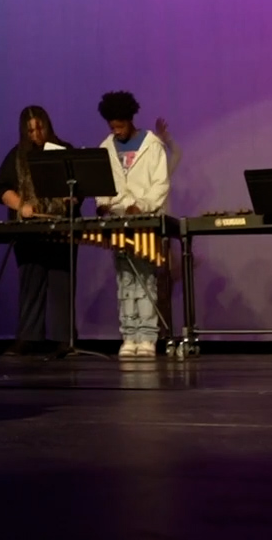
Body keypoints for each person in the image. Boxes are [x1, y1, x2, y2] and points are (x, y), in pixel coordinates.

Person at [97, 92, 177, 358]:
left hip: (145, 222)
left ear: (130, 120)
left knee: (145, 279)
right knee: (125, 279)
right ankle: (128, 335)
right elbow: (102, 186)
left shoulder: (152, 145)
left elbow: (161, 184)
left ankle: (147, 336)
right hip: (120, 221)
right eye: (112, 127)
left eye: (120, 126)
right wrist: (108, 204)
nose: (116, 131)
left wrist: (140, 206)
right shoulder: (106, 147)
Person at [0, 106, 72, 355]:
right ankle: (29, 337)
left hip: (60, 229)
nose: (36, 134)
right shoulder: (16, 156)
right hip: (29, 231)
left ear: (47, 125)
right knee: (31, 282)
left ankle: (63, 339)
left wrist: (71, 199)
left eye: (39, 128)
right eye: (30, 130)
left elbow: (78, 188)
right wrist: (21, 205)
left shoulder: (64, 151)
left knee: (61, 283)